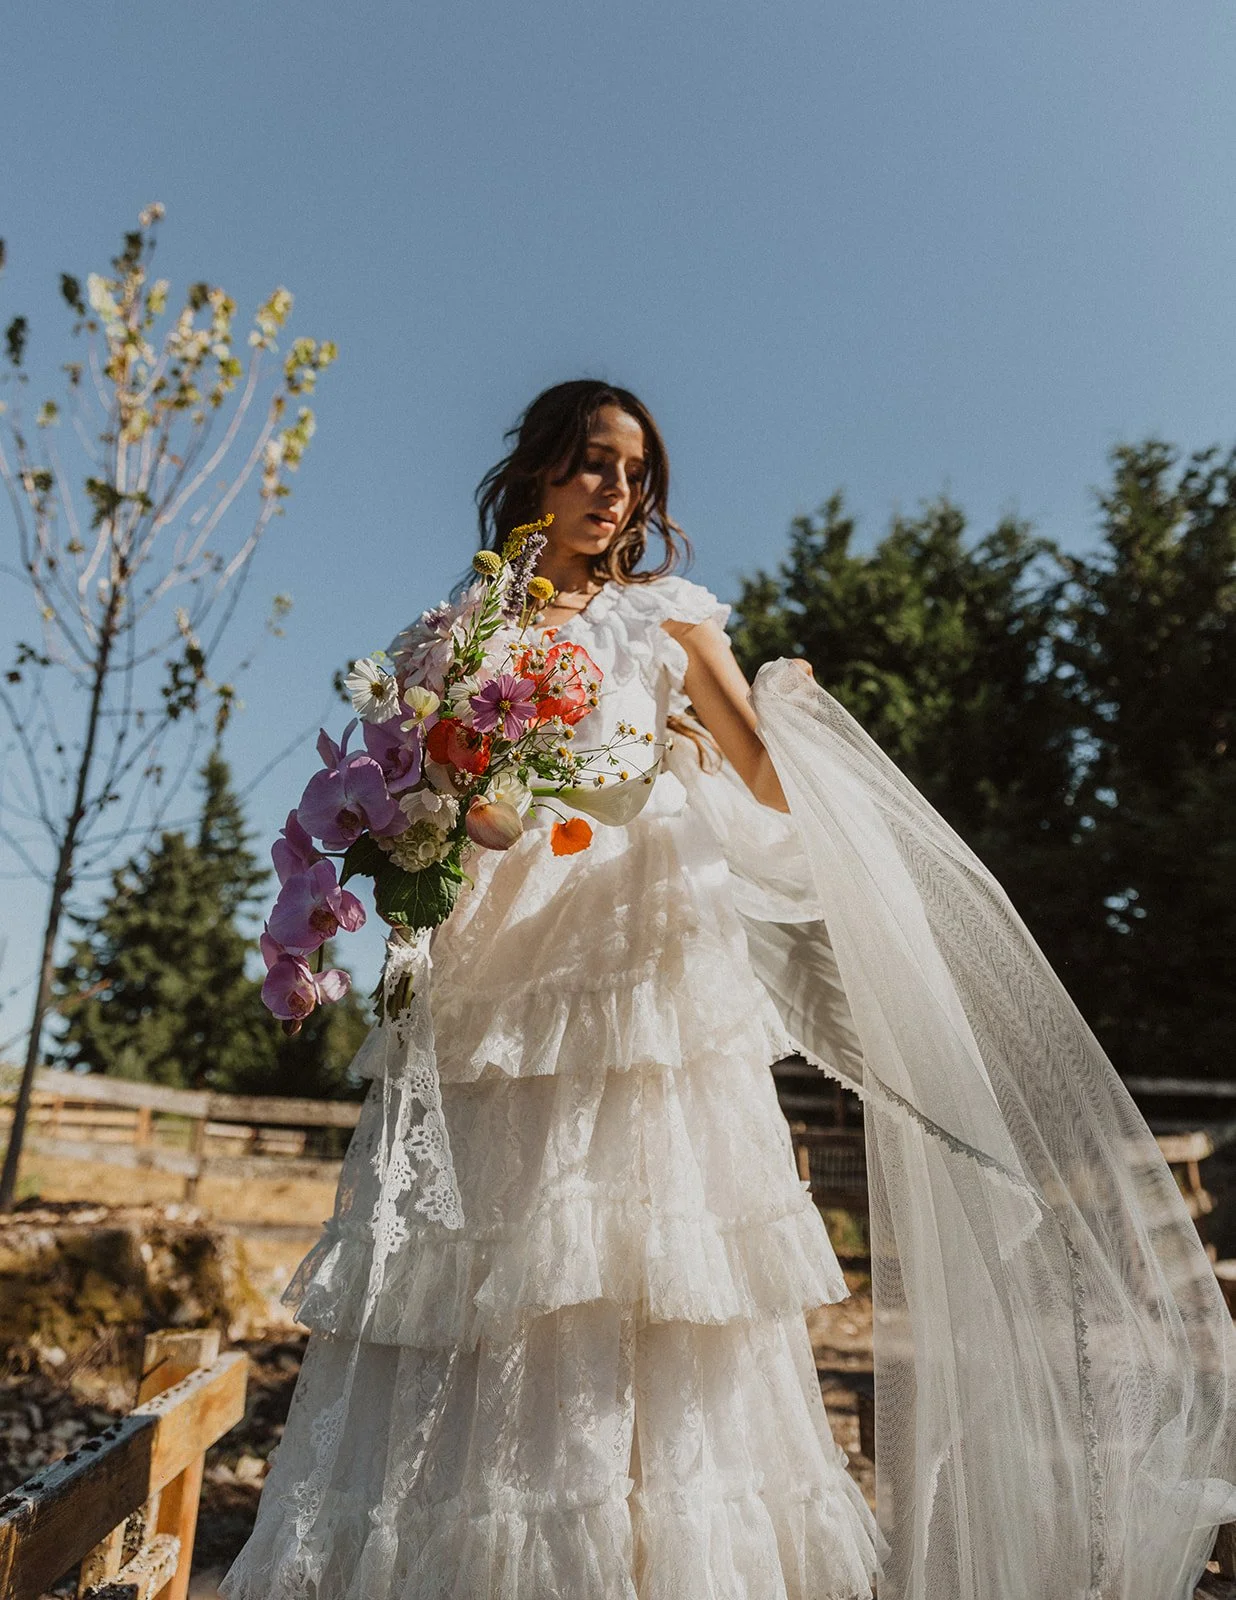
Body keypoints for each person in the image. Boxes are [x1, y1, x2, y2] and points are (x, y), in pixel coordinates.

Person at [223, 380, 1236, 1600]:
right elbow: (461, 813)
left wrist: (706, 753)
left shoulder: (665, 620)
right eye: (593, 462)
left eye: (633, 471)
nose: (616, 489)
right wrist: (439, 818)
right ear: (539, 468)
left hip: (642, 961)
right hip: (502, 975)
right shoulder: (459, 628)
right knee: (498, 1266)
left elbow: (762, 783)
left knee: (654, 1262)